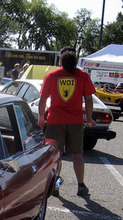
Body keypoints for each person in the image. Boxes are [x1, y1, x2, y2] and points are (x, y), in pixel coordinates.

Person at [39, 46, 96, 197]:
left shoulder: (52, 75)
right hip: (75, 121)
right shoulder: (82, 76)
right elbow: (89, 100)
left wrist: (40, 117)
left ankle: (55, 185)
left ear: (61, 60)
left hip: (55, 120)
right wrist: (89, 118)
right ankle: (81, 186)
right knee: (77, 154)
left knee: (57, 155)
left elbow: (43, 99)